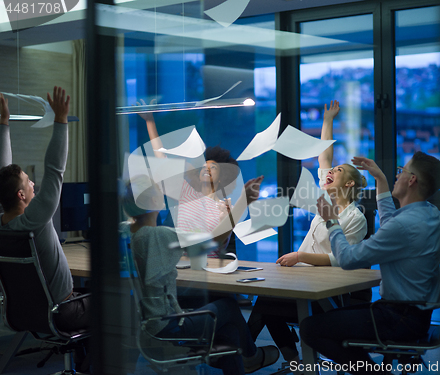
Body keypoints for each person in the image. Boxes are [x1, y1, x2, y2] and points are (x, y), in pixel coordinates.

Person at [299, 152, 440, 375]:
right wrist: (381, 179)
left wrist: (331, 221)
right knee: (325, 319)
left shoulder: (404, 225)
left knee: (310, 328)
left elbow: (347, 259)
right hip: (414, 314)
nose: (398, 175)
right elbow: (391, 222)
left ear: (411, 179)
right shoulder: (429, 213)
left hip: (399, 319)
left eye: (401, 171)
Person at [247, 100, 369, 367]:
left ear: (349, 183)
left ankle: (256, 357)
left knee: (266, 304)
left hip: (327, 291)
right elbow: (324, 155)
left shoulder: (355, 217)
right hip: (303, 280)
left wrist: (301, 255)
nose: (330, 171)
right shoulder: (327, 198)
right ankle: (285, 360)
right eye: (332, 170)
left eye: (337, 171)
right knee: (266, 301)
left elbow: (342, 260)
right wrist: (328, 121)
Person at [120, 174, 279, 375]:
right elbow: (216, 238)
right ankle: (253, 356)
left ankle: (246, 361)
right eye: (159, 192)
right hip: (167, 327)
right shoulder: (157, 235)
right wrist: (243, 201)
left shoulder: (127, 232)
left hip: (146, 324)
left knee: (229, 332)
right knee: (228, 304)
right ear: (153, 202)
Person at [0, 88, 91, 371]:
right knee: (114, 302)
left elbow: (2, 176)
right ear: (21, 196)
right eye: (28, 183)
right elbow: (55, 170)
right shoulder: (35, 220)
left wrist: (4, 124)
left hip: (23, 315)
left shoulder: (3, 226)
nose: (34, 186)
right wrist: (61, 121)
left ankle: (84, 363)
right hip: (63, 312)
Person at [137, 102, 239, 254]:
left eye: (214, 167)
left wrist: (227, 221)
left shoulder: (223, 207)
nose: (207, 168)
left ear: (221, 178)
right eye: (205, 165)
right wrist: (150, 122)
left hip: (209, 269)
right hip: (181, 264)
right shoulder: (186, 193)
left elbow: (220, 243)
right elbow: (161, 159)